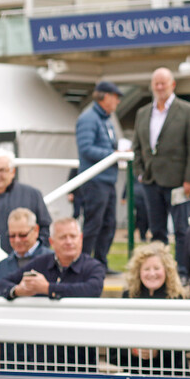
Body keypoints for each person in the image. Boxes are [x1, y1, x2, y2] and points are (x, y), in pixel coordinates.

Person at [0, 218, 105, 372]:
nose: (69, 241)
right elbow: (1, 283)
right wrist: (18, 291)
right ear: (52, 241)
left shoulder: (93, 266)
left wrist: (48, 288)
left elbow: (92, 289)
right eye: (63, 237)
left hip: (80, 354)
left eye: (73, 236)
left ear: (80, 238)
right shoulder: (41, 263)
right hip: (42, 356)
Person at [132, 67, 190, 278]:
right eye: (156, 83)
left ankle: (181, 271)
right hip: (151, 181)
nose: (160, 87)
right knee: (157, 231)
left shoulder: (187, 110)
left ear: (172, 85)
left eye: (164, 83)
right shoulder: (143, 113)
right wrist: (139, 173)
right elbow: (137, 146)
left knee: (181, 231)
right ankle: (159, 271)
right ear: (152, 86)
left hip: (179, 182)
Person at [108, 242, 188, 376]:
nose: (152, 273)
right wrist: (134, 351)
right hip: (135, 374)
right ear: (138, 272)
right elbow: (117, 342)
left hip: (172, 375)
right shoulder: (128, 296)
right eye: (146, 269)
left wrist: (158, 352)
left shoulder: (177, 298)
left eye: (156, 268)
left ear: (166, 270)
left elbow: (185, 342)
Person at [76, 80, 123, 272]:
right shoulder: (89, 119)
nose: (117, 102)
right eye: (115, 98)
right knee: (94, 224)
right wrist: (113, 155)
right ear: (105, 97)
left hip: (106, 180)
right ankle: (84, 264)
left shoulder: (105, 119)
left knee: (109, 224)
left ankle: (100, 264)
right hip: (95, 181)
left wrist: (116, 151)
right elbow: (86, 149)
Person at [0, 148, 52, 254]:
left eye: (2, 170)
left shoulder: (32, 195)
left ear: (12, 171)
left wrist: (34, 255)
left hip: (24, 262)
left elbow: (44, 228)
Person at [0, 208, 54, 282]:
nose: (17, 240)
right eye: (12, 235)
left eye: (22, 235)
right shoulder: (2, 267)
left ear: (36, 230)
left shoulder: (53, 260)